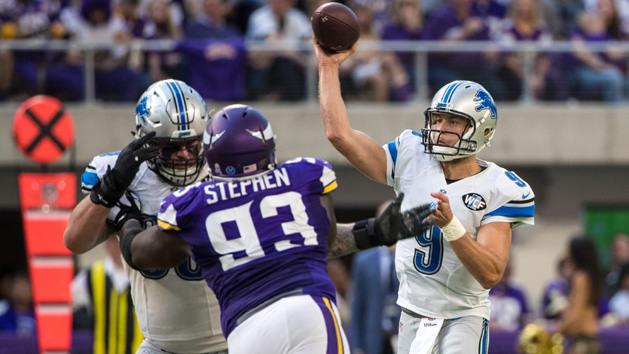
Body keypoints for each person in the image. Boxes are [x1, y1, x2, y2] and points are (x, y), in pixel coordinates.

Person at [113, 103, 435, 353]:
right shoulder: (303, 177)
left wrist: (124, 219)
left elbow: (141, 255)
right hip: (307, 306)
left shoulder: (193, 203)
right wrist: (375, 232)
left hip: (246, 328)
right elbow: (324, 241)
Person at [315, 39, 536, 353]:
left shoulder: (500, 187)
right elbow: (340, 134)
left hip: (463, 317)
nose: (440, 128)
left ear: (481, 130)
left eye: (453, 121)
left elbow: (491, 272)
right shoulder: (411, 153)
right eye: (437, 119)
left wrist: (452, 226)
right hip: (411, 313)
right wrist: (328, 66)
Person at [63, 79, 228, 354]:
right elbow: (74, 241)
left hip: (234, 339)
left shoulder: (225, 167)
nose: (184, 154)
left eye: (191, 144)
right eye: (170, 147)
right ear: (145, 140)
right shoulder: (125, 176)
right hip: (161, 346)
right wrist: (110, 187)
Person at [71, 235, 143, 353]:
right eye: (113, 240)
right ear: (106, 243)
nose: (118, 246)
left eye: (122, 240)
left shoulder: (143, 274)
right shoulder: (92, 274)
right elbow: (62, 303)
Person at [351, 199, 401, 354]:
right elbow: (358, 304)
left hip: (403, 334)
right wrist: (357, 346)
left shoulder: (411, 256)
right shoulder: (364, 260)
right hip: (374, 338)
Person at [555, 236, 603, 354]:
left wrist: (557, 331)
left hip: (583, 342)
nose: (566, 254)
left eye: (569, 250)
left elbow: (576, 312)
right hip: (592, 339)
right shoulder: (592, 276)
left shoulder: (580, 277)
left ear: (576, 253)